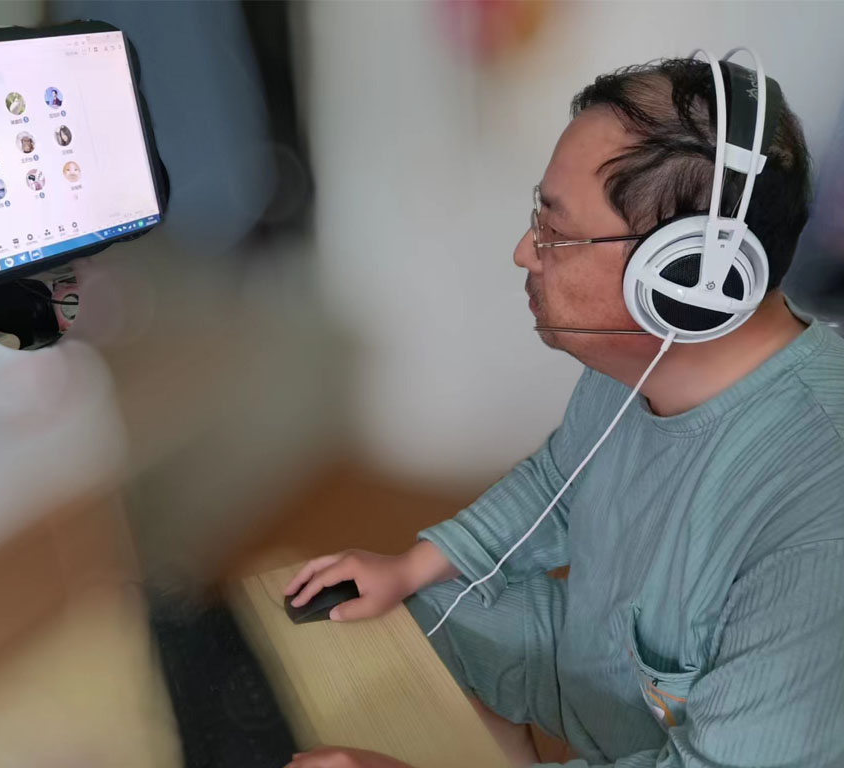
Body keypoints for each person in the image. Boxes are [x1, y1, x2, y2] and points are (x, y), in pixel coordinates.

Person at [283, 56, 844, 768]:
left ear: (690, 278)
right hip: (604, 665)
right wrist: (411, 568)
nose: (525, 252)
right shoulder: (638, 359)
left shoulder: (818, 520)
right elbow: (559, 480)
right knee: (413, 612)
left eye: (556, 232)